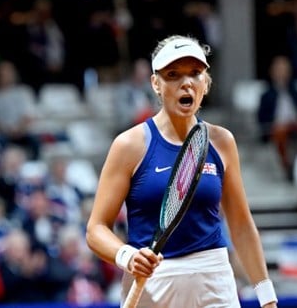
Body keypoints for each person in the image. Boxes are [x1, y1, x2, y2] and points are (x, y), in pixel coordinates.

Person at [86, 34, 278, 308]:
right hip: (152, 284)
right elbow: (95, 230)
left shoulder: (222, 141)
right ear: (156, 83)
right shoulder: (129, 145)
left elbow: (241, 224)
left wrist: (267, 296)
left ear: (206, 84)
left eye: (195, 73)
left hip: (214, 279)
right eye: (173, 74)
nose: (185, 83)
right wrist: (127, 256)